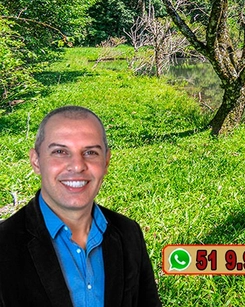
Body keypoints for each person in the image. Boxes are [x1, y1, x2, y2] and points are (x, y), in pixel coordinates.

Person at [0, 106, 161, 307]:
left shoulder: (129, 233)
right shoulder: (4, 245)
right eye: (60, 152)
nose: (77, 166)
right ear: (36, 161)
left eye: (90, 152)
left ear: (106, 161)